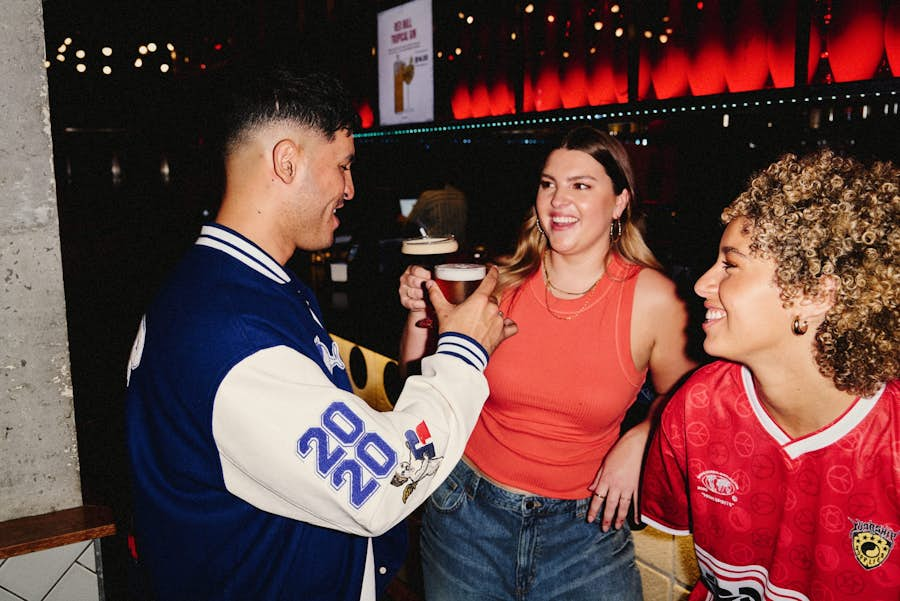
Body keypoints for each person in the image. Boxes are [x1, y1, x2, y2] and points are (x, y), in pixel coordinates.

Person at [124, 65, 516, 601]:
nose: (350, 190)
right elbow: (381, 483)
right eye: (343, 166)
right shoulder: (231, 334)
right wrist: (465, 352)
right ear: (287, 162)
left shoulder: (232, 288)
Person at [398, 126, 697, 599]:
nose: (558, 200)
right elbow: (419, 379)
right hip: (467, 516)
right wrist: (422, 314)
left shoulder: (652, 299)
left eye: (581, 185)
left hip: (586, 530)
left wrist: (642, 436)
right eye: (548, 184)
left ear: (619, 201)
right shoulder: (497, 282)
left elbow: (690, 401)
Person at [641, 149, 899, 599]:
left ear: (814, 294)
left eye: (731, 265)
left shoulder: (891, 442)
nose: (702, 284)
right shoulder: (697, 406)